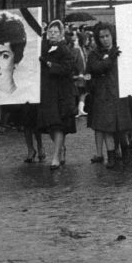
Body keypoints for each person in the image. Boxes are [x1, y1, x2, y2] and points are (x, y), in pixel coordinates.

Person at [86, 22, 132, 168]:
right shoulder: (94, 54)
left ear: (112, 36)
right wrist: (109, 58)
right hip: (103, 94)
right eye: (101, 37)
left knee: (122, 128)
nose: (105, 39)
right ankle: (111, 155)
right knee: (107, 128)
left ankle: (126, 154)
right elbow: (95, 68)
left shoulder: (122, 51)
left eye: (107, 36)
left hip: (120, 93)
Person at [37, 20, 77, 170]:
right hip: (47, 91)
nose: (52, 34)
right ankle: (59, 149)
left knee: (58, 124)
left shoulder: (65, 49)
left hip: (61, 92)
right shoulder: (43, 47)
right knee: (50, 126)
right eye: (50, 32)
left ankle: (55, 157)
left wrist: (50, 65)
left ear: (61, 34)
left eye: (55, 32)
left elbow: (68, 68)